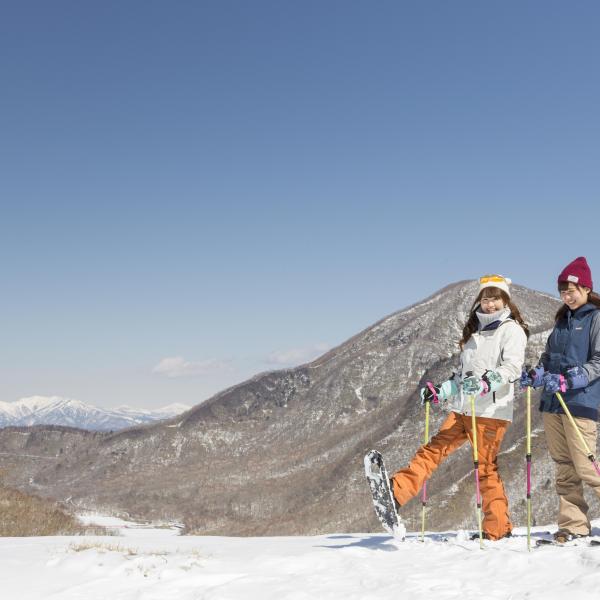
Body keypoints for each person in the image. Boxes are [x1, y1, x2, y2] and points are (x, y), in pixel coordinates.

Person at [389, 274, 529, 541]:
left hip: (491, 413)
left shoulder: (511, 330)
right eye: (486, 299)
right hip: (463, 409)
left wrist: (487, 383)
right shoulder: (475, 332)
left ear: (505, 301)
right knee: (432, 450)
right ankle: (396, 492)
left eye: (495, 299)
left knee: (486, 469)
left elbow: (512, 368)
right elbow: (461, 377)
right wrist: (442, 391)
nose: (490, 304)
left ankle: (497, 529)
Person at [521, 256, 600, 543]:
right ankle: (574, 525)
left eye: (572, 290)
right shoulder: (561, 322)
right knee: (564, 467)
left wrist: (571, 379)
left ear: (586, 289)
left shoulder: (595, 318)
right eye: (563, 292)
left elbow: (599, 361)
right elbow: (549, 357)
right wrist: (538, 374)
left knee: (586, 467)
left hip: (580, 401)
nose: (567, 296)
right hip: (553, 403)